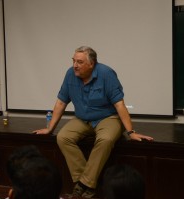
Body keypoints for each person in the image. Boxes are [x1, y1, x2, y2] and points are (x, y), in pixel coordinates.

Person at [33, 46, 153, 198]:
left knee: (105, 139)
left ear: (92, 63)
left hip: (108, 117)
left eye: (80, 62)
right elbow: (61, 103)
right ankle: (83, 183)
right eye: (73, 61)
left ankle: (84, 186)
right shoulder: (70, 74)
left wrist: (131, 132)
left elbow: (119, 104)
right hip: (83, 118)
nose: (75, 65)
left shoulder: (106, 74)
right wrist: (50, 128)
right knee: (63, 137)